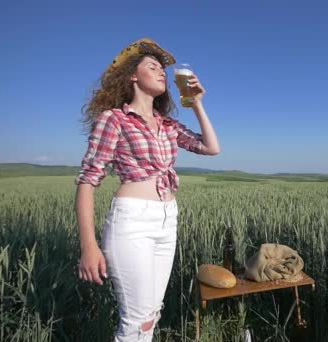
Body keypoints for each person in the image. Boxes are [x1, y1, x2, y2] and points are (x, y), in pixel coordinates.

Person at [74, 38, 220, 341]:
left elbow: (211, 147)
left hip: (168, 218)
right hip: (132, 222)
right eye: (152, 67)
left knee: (152, 314)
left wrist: (196, 102)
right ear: (133, 76)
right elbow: (88, 180)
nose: (161, 73)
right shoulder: (114, 119)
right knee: (135, 319)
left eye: (162, 70)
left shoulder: (167, 125)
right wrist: (89, 245)